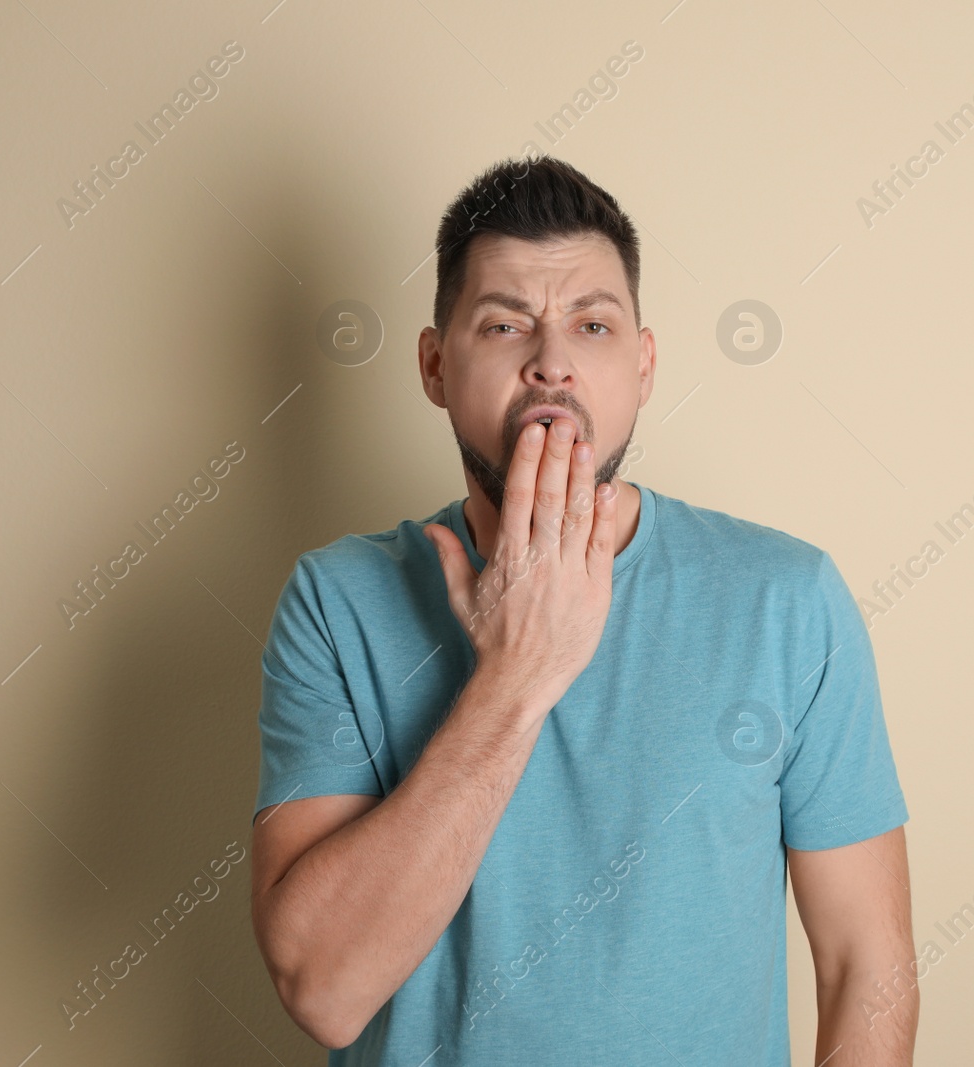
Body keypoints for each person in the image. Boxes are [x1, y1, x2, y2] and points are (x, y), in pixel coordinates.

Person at [249, 155, 917, 1065]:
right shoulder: (337, 602)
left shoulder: (787, 600)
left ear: (643, 366)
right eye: (504, 324)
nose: (552, 363)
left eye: (592, 325)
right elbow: (323, 990)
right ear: (435, 365)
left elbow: (864, 965)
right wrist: (517, 675)